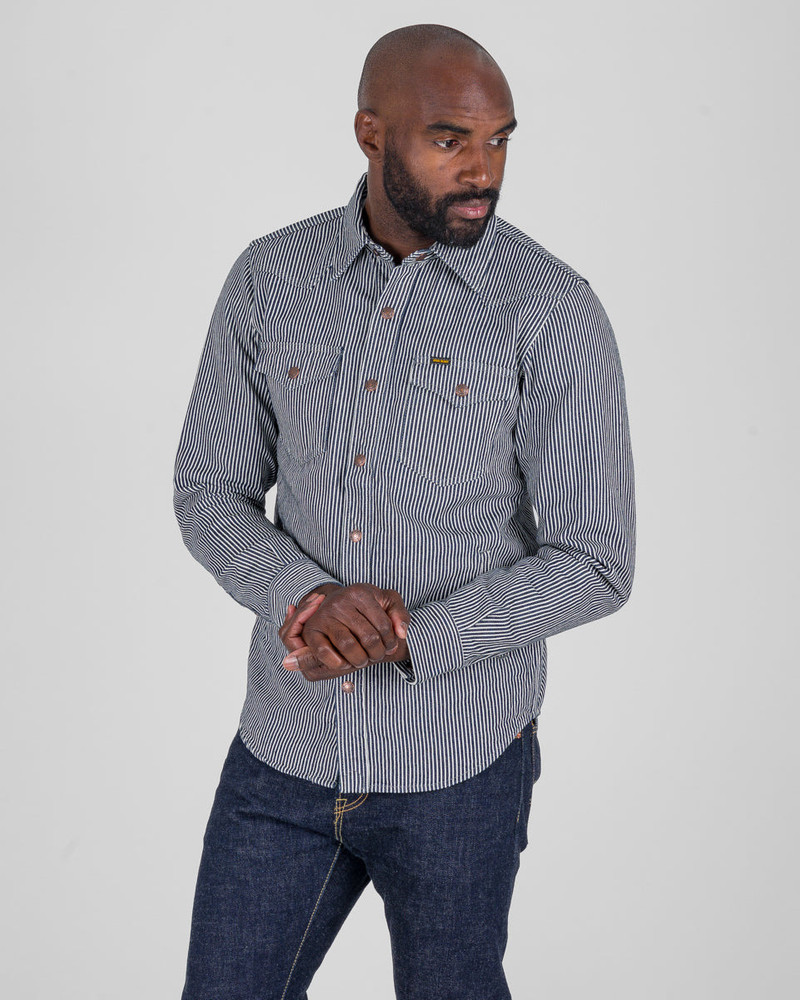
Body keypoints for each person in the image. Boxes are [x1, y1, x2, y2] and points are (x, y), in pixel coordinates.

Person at [173, 22, 636, 1000]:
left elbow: (597, 559)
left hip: (458, 764)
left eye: (499, 140)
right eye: (448, 140)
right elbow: (208, 488)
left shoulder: (549, 310)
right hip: (283, 751)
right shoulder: (269, 277)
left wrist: (410, 636)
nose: (482, 170)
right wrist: (304, 596)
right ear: (369, 133)